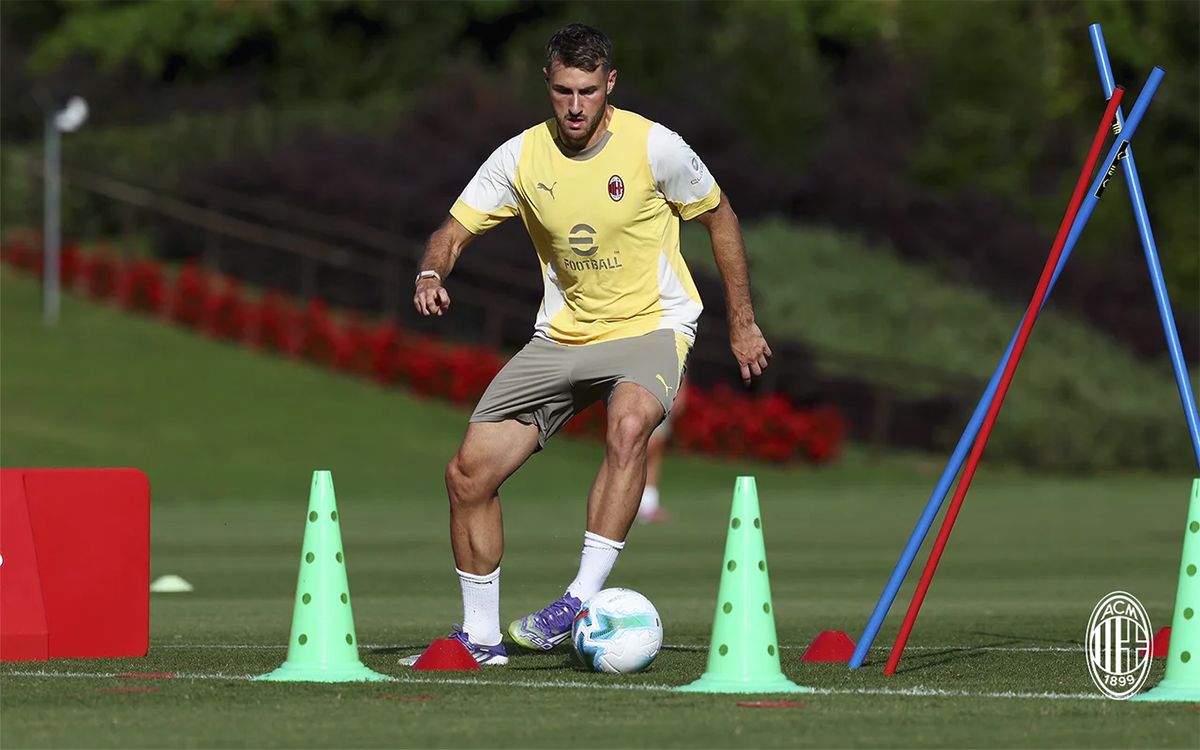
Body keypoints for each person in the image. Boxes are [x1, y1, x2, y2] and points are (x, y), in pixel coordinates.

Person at [412, 23, 771, 665]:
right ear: (547, 86)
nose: (574, 106)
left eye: (586, 91)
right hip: (562, 335)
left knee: (630, 424)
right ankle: (482, 639)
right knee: (468, 474)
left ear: (609, 85)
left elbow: (722, 218)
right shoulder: (520, 156)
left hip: (649, 326)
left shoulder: (656, 147)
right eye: (561, 92)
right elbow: (454, 228)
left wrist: (742, 321)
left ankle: (578, 599)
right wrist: (432, 271)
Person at [637, 380, 687, 524]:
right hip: (643, 391)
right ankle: (623, 500)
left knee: (656, 447)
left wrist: (681, 390)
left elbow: (683, 360)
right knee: (642, 448)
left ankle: (648, 504)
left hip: (663, 391)